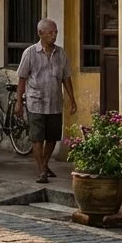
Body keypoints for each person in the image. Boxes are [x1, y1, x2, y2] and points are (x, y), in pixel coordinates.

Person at [14, 18, 77, 184]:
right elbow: (22, 78)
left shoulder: (61, 53)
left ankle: (44, 163)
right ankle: (42, 170)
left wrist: (72, 99)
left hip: (55, 101)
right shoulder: (30, 53)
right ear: (40, 34)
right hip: (36, 102)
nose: (54, 35)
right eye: (50, 32)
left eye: (55, 32)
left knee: (52, 137)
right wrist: (18, 101)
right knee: (37, 138)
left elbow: (66, 78)